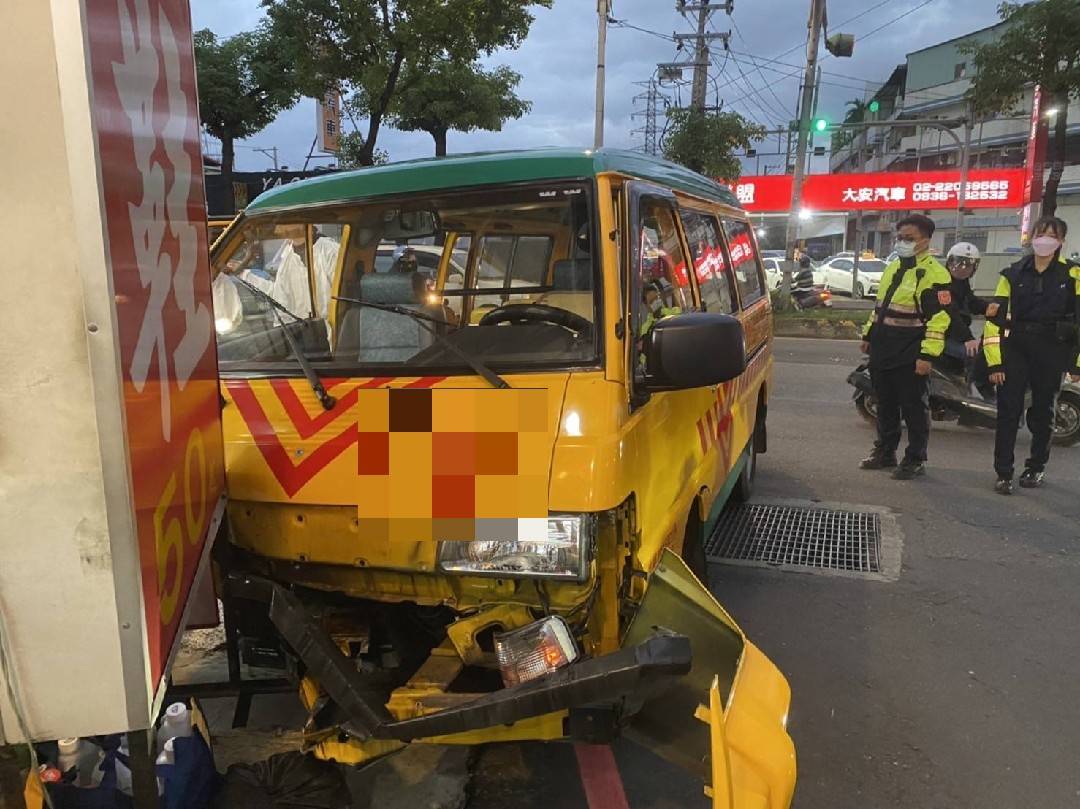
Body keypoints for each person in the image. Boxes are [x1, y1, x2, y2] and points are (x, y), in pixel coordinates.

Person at [984, 216, 1080, 495]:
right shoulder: (1012, 274)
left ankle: (1035, 467)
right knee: (1008, 412)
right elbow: (993, 320)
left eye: (1052, 235)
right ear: (1031, 237)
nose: (1045, 239)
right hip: (1016, 347)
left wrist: (1076, 364)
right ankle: (1003, 473)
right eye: (1041, 233)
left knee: (1042, 412)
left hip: (1052, 349)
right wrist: (995, 362)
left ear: (1061, 241)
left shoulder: (1073, 276)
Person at [859, 215, 953, 480]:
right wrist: (868, 334)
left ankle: (915, 458)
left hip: (911, 351)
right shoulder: (894, 268)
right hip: (883, 347)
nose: (902, 243)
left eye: (909, 238)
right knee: (885, 404)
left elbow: (939, 320)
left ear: (926, 240)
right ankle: (885, 451)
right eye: (899, 238)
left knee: (914, 409)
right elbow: (880, 307)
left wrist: (927, 355)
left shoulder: (934, 274)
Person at [940, 242, 997, 398]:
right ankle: (975, 393)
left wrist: (991, 308)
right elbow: (951, 315)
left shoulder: (961, 284)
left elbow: (971, 302)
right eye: (958, 263)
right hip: (942, 336)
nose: (963, 268)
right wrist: (968, 339)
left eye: (968, 265)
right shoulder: (942, 284)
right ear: (949, 262)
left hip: (956, 335)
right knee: (975, 354)